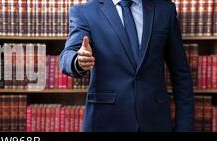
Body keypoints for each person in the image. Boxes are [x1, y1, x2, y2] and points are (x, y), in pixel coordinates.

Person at [59, 0, 193, 132]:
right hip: (105, 121)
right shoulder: (85, 12)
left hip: (155, 121)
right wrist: (78, 61)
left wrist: (184, 127)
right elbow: (67, 55)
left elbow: (181, 74)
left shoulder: (165, 10)